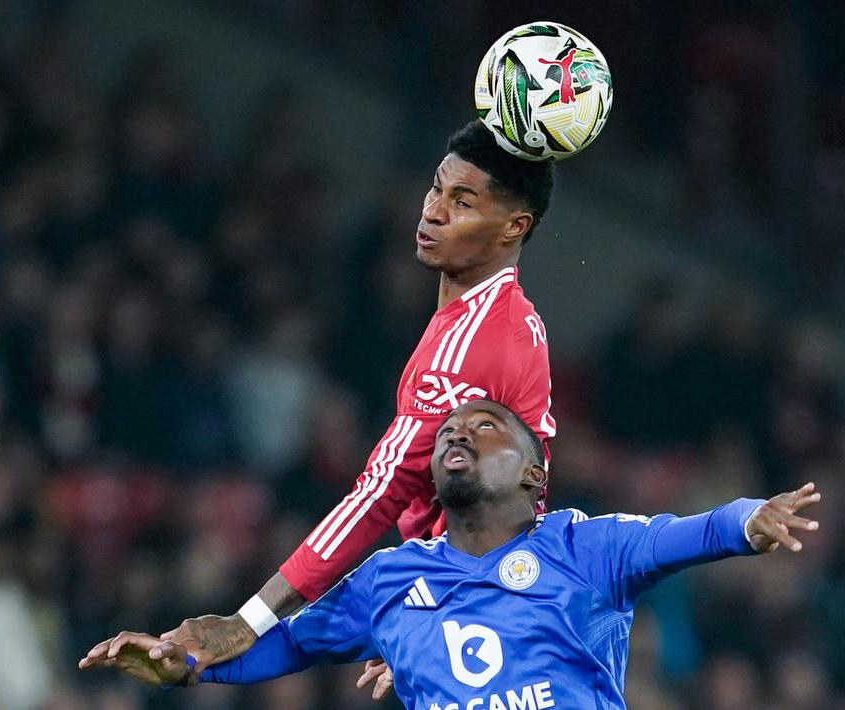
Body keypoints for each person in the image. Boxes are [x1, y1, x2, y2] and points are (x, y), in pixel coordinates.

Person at [80, 399, 822, 708]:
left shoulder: (584, 546)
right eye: (447, 432)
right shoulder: (386, 580)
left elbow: (687, 531)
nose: (456, 434)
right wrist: (181, 664)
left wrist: (752, 519)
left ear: (534, 474)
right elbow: (281, 646)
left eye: (486, 425)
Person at [155, 119, 559, 675]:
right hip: (489, 602)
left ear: (514, 226)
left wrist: (247, 620)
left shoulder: (469, 345)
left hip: (485, 619)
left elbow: (380, 493)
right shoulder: (510, 317)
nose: (433, 211)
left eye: (462, 202)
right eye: (436, 188)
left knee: (265, 647)